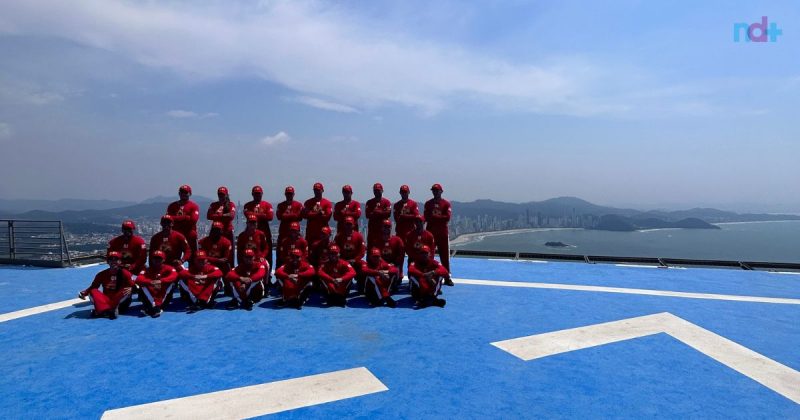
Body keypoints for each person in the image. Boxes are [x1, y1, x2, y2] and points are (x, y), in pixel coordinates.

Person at [78, 251, 134, 319]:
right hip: (107, 299)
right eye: (111, 259)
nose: (113, 261)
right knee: (93, 291)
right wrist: (85, 293)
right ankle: (110, 310)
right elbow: (94, 286)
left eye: (116, 259)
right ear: (108, 262)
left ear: (120, 261)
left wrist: (132, 288)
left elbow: (133, 285)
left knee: (126, 290)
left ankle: (102, 311)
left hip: (119, 299)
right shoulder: (101, 274)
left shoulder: (125, 273)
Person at [134, 250, 179, 318]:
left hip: (163, 292)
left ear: (163, 260)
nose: (157, 260)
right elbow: (139, 278)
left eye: (159, 258)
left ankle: (155, 307)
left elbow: (174, 275)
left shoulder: (168, 268)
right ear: (152, 260)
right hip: (152, 292)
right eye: (155, 258)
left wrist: (161, 281)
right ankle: (155, 307)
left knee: (172, 284)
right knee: (139, 285)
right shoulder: (147, 270)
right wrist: (151, 282)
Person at [424, 183, 453, 284]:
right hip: (430, 234)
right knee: (429, 255)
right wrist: (439, 218)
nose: (435, 192)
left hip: (442, 234)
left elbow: (447, 218)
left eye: (437, 190)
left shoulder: (446, 204)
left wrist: (434, 217)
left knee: (445, 256)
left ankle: (447, 277)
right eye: (434, 190)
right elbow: (426, 217)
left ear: (441, 191)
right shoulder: (428, 204)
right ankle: (428, 276)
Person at [243, 185, 274, 273]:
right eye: (255, 194)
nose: (257, 195)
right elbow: (247, 215)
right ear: (252, 194)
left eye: (259, 194)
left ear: (262, 194)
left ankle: (268, 276)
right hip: (251, 233)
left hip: (265, 233)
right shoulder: (247, 205)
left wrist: (253, 215)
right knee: (249, 253)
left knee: (267, 255)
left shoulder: (267, 205)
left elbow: (270, 217)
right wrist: (263, 215)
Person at [166, 184, 201, 255]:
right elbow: (168, 219)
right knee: (173, 256)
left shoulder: (194, 206)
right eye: (182, 192)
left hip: (190, 235)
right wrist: (185, 217)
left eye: (186, 192)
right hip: (176, 236)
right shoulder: (172, 206)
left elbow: (193, 220)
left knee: (193, 256)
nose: (183, 194)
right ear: (179, 193)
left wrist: (175, 218)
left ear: (190, 194)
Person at [334, 216, 366, 291]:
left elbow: (362, 251)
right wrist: (342, 261)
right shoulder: (339, 236)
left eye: (350, 224)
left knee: (364, 267)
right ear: (344, 225)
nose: (348, 226)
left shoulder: (358, 236)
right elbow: (335, 250)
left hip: (355, 261)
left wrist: (355, 260)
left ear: (353, 225)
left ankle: (361, 284)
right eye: (347, 224)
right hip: (343, 261)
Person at [275, 186, 303, 268]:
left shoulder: (298, 205)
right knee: (280, 255)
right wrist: (294, 215)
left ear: (293, 194)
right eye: (287, 194)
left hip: (295, 234)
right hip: (283, 234)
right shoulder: (281, 205)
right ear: (285, 194)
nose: (289, 195)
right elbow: (279, 216)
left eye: (290, 194)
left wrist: (286, 215)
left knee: (297, 254)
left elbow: (300, 217)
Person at [376, 219, 405, 289]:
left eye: (388, 227)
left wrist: (394, 264)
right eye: (385, 226)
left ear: (391, 228)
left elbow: (401, 255)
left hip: (394, 265)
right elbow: (376, 256)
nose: (386, 228)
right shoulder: (377, 241)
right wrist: (384, 265)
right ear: (382, 228)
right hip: (381, 266)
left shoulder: (397, 240)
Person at [365, 183, 392, 249]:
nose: (377, 192)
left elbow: (388, 213)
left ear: (382, 191)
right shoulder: (369, 202)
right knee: (371, 249)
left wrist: (376, 212)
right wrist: (382, 212)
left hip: (383, 231)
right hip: (372, 231)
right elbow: (368, 215)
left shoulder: (387, 202)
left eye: (378, 190)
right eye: (375, 191)